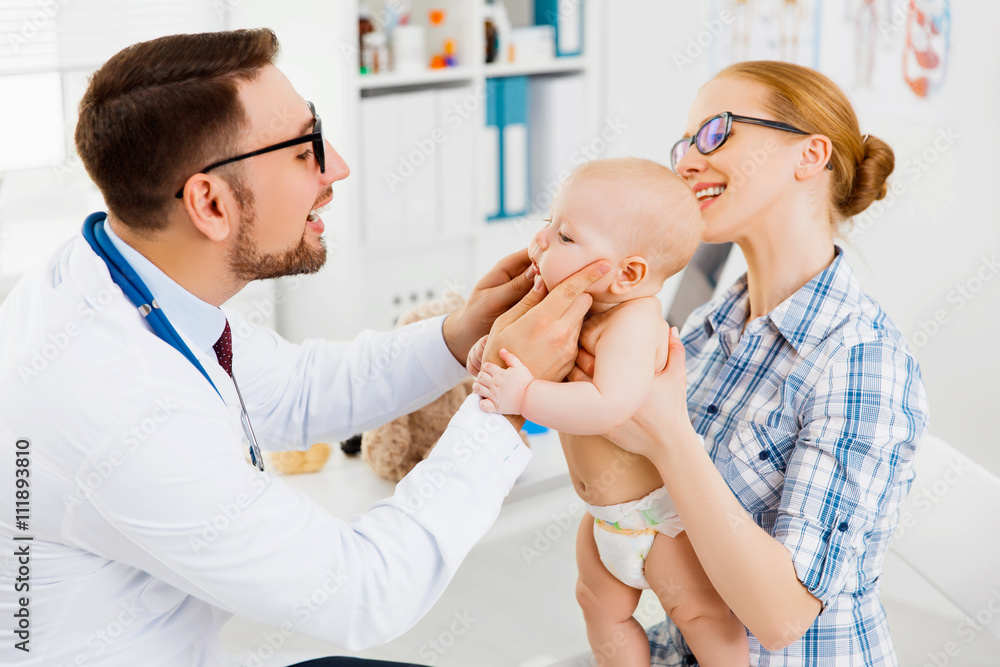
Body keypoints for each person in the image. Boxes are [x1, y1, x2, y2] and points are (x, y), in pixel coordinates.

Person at [0, 29, 611, 666]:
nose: (337, 166)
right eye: (303, 150)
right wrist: (506, 399)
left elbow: (297, 388)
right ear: (209, 203)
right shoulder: (114, 401)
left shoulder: (114, 271)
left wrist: (461, 336)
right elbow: (365, 592)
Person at [566, 61, 929, 664]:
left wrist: (668, 436)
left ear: (809, 156)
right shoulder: (710, 328)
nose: (685, 162)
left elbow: (781, 616)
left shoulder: (862, 361)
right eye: (685, 143)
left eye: (716, 132)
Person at [472, 158, 748, 666]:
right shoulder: (575, 308)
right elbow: (527, 355)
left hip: (661, 524)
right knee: (600, 609)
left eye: (566, 237)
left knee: (701, 617)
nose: (541, 242)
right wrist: (494, 355)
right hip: (604, 521)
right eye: (548, 226)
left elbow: (608, 406)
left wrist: (523, 395)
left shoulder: (635, 323)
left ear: (628, 274)